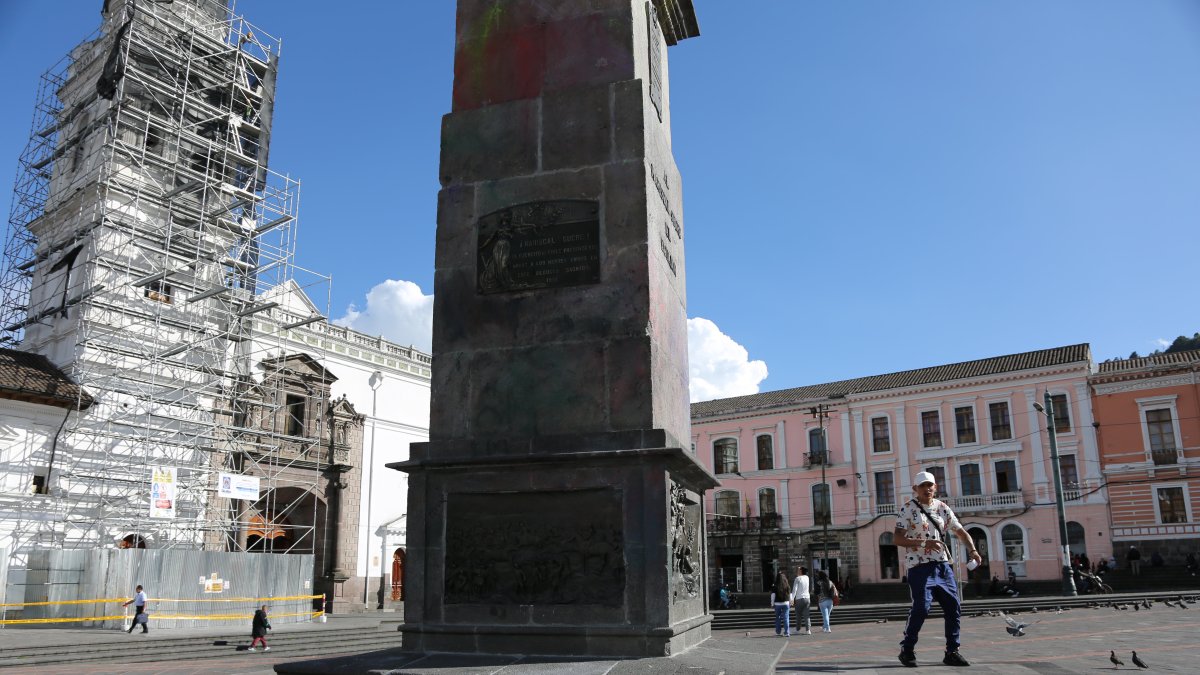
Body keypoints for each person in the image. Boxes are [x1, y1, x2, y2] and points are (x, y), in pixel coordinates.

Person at [894, 471, 981, 668]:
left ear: (935, 487)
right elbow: (898, 539)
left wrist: (973, 551)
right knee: (921, 608)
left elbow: (960, 531)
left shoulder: (943, 508)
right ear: (915, 489)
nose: (927, 489)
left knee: (954, 607)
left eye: (930, 485)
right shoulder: (907, 509)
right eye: (923, 486)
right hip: (919, 567)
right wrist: (925, 542)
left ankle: (952, 651)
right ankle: (907, 649)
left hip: (942, 566)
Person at [769, 570, 792, 637]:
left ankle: (778, 632)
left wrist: (772, 603)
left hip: (777, 604)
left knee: (778, 618)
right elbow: (790, 594)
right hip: (786, 603)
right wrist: (791, 601)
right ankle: (787, 632)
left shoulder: (775, 586)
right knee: (786, 618)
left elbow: (773, 595)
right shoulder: (787, 585)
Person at [790, 566, 812, 635]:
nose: (797, 571)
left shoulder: (797, 578)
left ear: (801, 571)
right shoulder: (807, 578)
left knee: (798, 615)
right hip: (807, 598)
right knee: (806, 615)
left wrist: (792, 599)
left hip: (799, 599)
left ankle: (798, 629)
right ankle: (808, 630)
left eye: (798, 570)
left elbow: (794, 590)